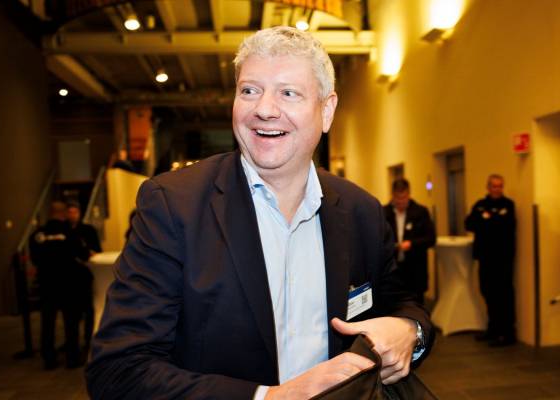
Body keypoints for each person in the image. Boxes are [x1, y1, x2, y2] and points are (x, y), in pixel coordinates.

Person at [86, 26, 434, 399]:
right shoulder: (173, 205)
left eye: (288, 93)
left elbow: (402, 303)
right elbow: (119, 370)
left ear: (327, 110)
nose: (264, 110)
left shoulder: (360, 211)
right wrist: (268, 397)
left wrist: (409, 331)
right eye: (249, 91)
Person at [30, 201, 90, 369]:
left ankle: (49, 359)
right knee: (71, 322)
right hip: (68, 283)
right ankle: (72, 358)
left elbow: (34, 259)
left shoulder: (37, 235)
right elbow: (83, 254)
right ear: (63, 213)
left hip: (46, 284)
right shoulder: (70, 232)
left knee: (47, 322)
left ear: (50, 213)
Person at [465, 174, 516, 346]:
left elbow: (504, 227)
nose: (497, 189)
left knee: (503, 295)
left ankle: (506, 333)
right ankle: (492, 328)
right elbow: (469, 224)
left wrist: (486, 221)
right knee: (488, 292)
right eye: (494, 186)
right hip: (485, 258)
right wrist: (489, 221)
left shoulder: (508, 205)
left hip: (503, 259)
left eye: (500, 186)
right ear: (488, 187)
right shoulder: (480, 205)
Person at [383, 179, 436, 305]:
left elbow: (431, 239)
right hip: (392, 273)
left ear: (409, 194)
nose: (401, 202)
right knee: (395, 308)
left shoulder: (421, 212)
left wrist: (411, 244)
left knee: (417, 307)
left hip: (415, 271)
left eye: (404, 198)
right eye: (398, 198)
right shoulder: (384, 212)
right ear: (392, 195)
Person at [66, 202, 101, 352]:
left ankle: (88, 339)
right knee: (72, 314)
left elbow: (97, 250)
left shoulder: (88, 230)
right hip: (69, 277)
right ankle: (72, 344)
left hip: (84, 275)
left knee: (88, 309)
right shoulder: (64, 231)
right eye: (70, 212)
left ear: (79, 213)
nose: (72, 215)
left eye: (75, 212)